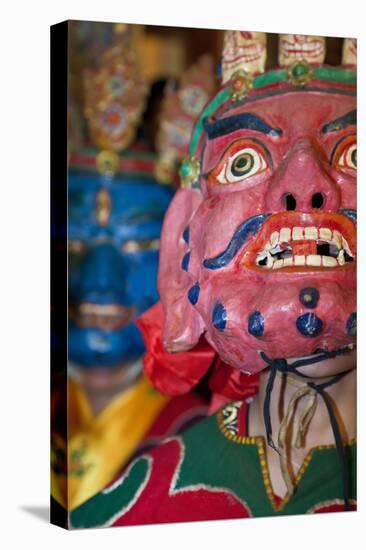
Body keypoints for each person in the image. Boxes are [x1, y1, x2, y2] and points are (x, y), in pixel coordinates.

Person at [69, 31, 356, 528]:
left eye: (356, 156)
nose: (304, 185)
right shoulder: (134, 508)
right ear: (184, 252)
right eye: (243, 161)